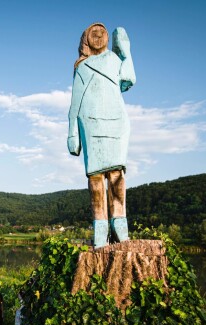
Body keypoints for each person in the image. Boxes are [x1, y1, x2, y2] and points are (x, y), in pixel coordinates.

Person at [67, 23, 136, 248]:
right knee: (96, 178)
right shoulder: (82, 67)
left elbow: (129, 80)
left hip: (117, 121)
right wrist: (72, 133)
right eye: (93, 33)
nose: (98, 36)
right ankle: (100, 225)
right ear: (85, 39)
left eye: (101, 33)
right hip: (91, 124)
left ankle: (119, 221)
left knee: (117, 174)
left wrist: (125, 50)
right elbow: (75, 104)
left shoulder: (115, 60)